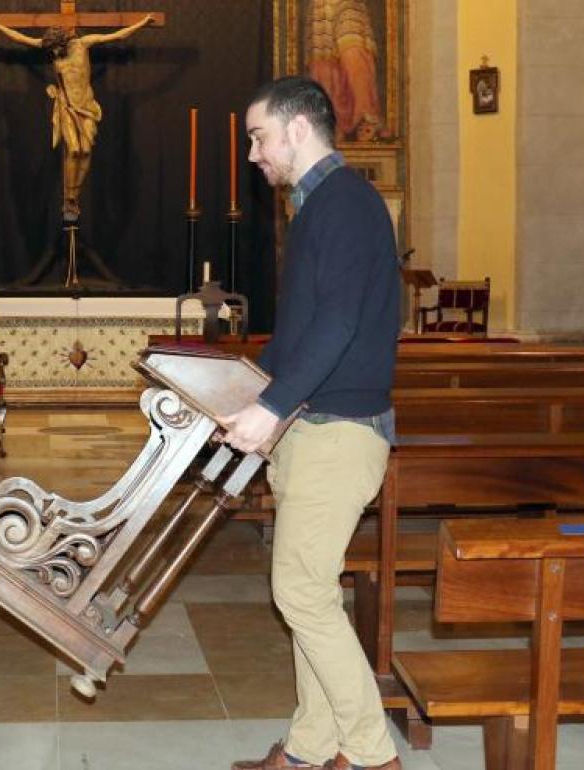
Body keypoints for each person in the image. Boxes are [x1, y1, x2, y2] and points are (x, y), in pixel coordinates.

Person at [221, 77, 402, 770]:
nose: (253, 154)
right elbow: (298, 336)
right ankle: (307, 749)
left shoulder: (347, 203)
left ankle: (370, 752)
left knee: (298, 591)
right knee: (310, 594)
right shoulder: (321, 207)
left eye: (258, 136)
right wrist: (246, 396)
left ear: (298, 129)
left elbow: (340, 324)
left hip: (338, 431)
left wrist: (269, 408)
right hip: (310, 428)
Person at [0, 13, 155, 220]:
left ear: (63, 41)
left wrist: (143, 23)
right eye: (51, 51)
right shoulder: (52, 49)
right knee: (74, 149)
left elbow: (117, 36)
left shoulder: (83, 44)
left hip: (86, 106)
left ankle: (75, 194)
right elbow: (20, 38)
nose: (54, 53)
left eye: (56, 49)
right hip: (66, 107)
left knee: (86, 151)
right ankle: (69, 196)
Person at [307, 0, 385, 143]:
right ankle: (334, 125)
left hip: (349, 7)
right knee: (327, 66)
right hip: (323, 10)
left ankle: (365, 118)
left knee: (354, 54)